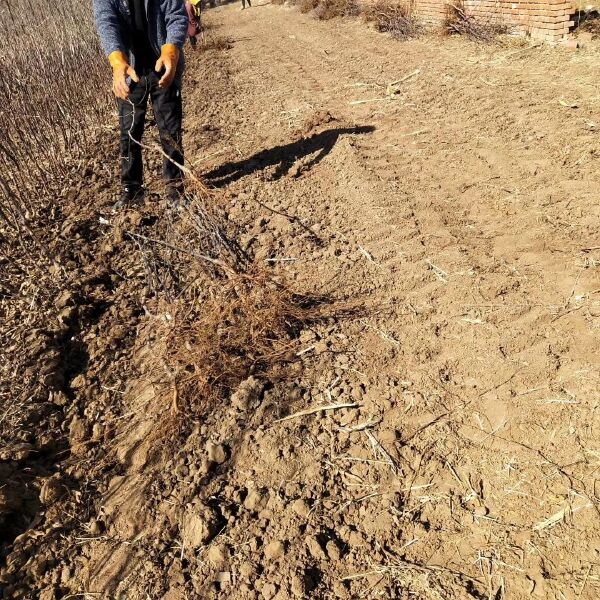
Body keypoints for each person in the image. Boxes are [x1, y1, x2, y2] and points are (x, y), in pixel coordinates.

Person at [92, 0, 189, 207]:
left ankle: (175, 188)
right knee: (129, 133)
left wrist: (171, 50)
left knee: (170, 130)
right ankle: (132, 190)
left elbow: (176, 16)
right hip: (130, 71)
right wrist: (117, 62)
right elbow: (106, 22)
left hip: (163, 66)